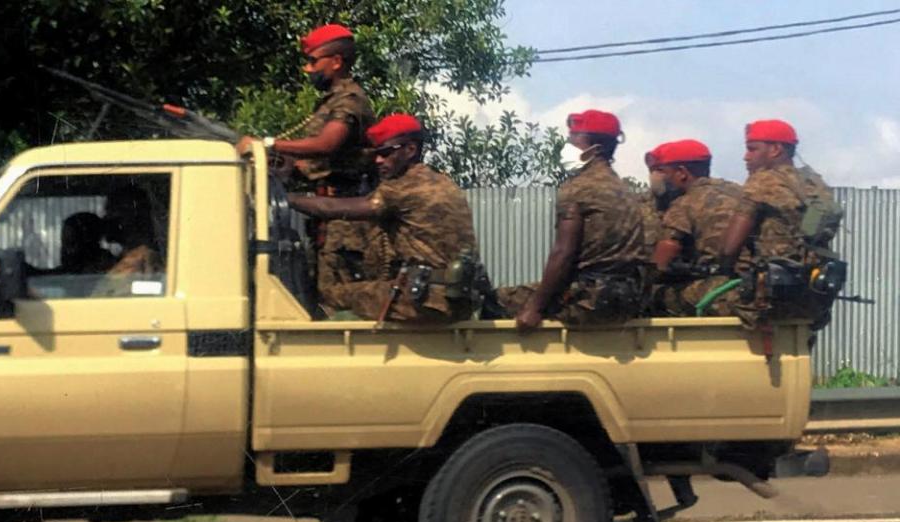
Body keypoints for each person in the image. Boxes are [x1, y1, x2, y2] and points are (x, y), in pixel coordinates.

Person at [237, 23, 377, 313]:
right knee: (321, 298)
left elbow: (326, 144)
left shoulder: (350, 101)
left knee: (341, 305)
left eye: (314, 61)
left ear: (336, 61)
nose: (308, 69)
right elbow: (312, 164)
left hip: (348, 223)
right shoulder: (330, 102)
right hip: (329, 217)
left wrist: (268, 144)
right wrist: (276, 164)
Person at [286, 114, 479, 322]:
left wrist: (286, 197)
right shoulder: (442, 182)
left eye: (386, 153)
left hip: (424, 301)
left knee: (331, 293)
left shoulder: (403, 187)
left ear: (410, 150)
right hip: (457, 298)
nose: (378, 160)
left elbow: (330, 207)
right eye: (377, 154)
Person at [499, 110, 645, 331]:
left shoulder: (578, 189)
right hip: (626, 301)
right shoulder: (623, 190)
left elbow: (563, 253)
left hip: (588, 300)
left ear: (593, 149)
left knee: (498, 296)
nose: (567, 146)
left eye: (574, 140)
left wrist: (535, 308)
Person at [720, 119, 843, 329]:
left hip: (768, 301)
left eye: (752, 149)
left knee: (690, 295)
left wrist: (720, 267)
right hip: (814, 299)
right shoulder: (815, 182)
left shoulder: (763, 181)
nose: (745, 157)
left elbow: (729, 248)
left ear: (776, 149)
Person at [647, 139, 746, 317]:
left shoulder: (685, 202)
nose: (659, 178)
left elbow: (665, 254)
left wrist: (648, 278)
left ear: (682, 173)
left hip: (719, 288)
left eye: (663, 172)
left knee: (651, 295)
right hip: (752, 284)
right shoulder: (739, 191)